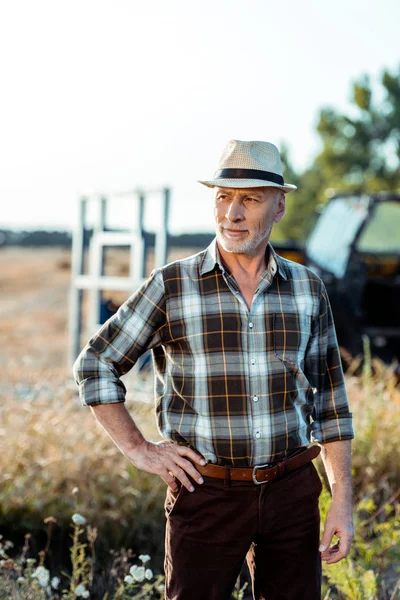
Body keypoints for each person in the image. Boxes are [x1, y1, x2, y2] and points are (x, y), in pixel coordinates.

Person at [73, 139, 355, 600]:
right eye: (223, 197)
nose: (232, 213)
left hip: (292, 494)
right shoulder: (172, 285)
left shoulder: (307, 289)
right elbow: (95, 364)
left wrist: (341, 495)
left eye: (250, 199)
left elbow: (330, 402)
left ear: (280, 206)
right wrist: (139, 449)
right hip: (205, 493)